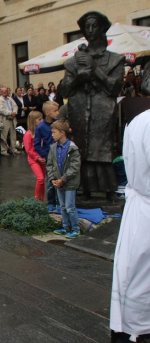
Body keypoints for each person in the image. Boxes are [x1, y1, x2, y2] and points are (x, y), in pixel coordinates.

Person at [61, 11, 124, 201]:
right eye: (86, 27)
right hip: (80, 108)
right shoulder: (74, 61)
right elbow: (64, 90)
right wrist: (79, 77)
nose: (90, 30)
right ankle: (84, 189)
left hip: (103, 109)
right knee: (82, 148)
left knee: (102, 148)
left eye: (94, 25)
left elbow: (114, 87)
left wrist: (94, 68)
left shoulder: (115, 59)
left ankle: (108, 190)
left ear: (103, 28)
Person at [110, 63, 150, 343]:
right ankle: (131, 331)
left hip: (139, 203)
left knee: (132, 268)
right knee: (140, 272)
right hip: (146, 204)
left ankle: (128, 328)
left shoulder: (137, 120)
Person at [47, 119, 81, 239]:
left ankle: (76, 228)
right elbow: (50, 164)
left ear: (62, 132)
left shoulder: (72, 148)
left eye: (54, 132)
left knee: (70, 207)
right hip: (58, 182)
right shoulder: (53, 148)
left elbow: (74, 167)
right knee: (62, 206)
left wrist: (63, 179)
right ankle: (65, 227)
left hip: (69, 183)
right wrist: (52, 179)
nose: (52, 135)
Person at [34, 101, 59, 212]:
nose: (57, 113)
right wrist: (44, 154)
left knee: (60, 180)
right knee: (50, 181)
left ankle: (59, 202)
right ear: (47, 112)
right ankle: (51, 202)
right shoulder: (40, 127)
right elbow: (37, 144)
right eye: (55, 111)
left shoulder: (58, 123)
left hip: (60, 155)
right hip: (49, 157)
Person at [24, 111, 45, 201]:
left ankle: (41, 199)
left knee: (43, 180)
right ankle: (36, 198)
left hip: (42, 158)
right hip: (34, 159)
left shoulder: (41, 132)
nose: (42, 121)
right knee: (40, 178)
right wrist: (37, 158)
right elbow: (29, 150)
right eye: (39, 119)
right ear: (34, 121)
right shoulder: (28, 135)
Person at [0, 86, 20, 156]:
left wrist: (14, 112)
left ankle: (14, 149)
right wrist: (10, 113)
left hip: (12, 119)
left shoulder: (10, 99)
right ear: (1, 92)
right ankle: (4, 150)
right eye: (3, 91)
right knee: (4, 136)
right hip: (5, 119)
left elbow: (15, 106)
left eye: (6, 91)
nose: (5, 92)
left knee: (13, 135)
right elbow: (1, 110)